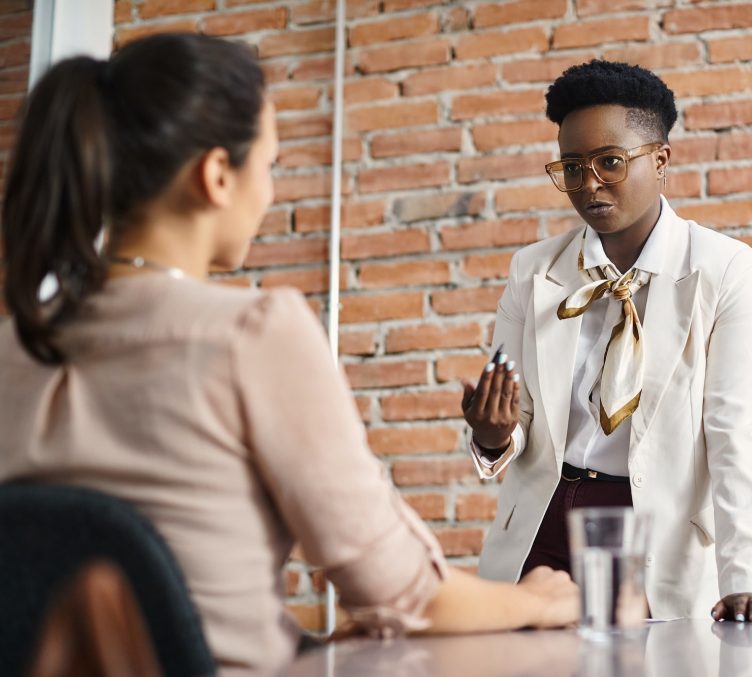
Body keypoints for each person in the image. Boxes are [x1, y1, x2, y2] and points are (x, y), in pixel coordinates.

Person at [0, 33, 577, 676]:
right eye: (269, 166)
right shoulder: (253, 333)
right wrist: (533, 599)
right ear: (217, 176)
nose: (270, 193)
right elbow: (403, 593)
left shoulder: (10, 345)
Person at [462, 60, 752, 623]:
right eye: (572, 167)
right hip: (545, 523)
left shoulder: (723, 269)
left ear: (660, 160)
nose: (589, 184)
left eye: (610, 162)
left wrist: (746, 571)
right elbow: (518, 417)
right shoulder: (533, 271)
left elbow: (734, 432)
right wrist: (491, 435)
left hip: (657, 533)